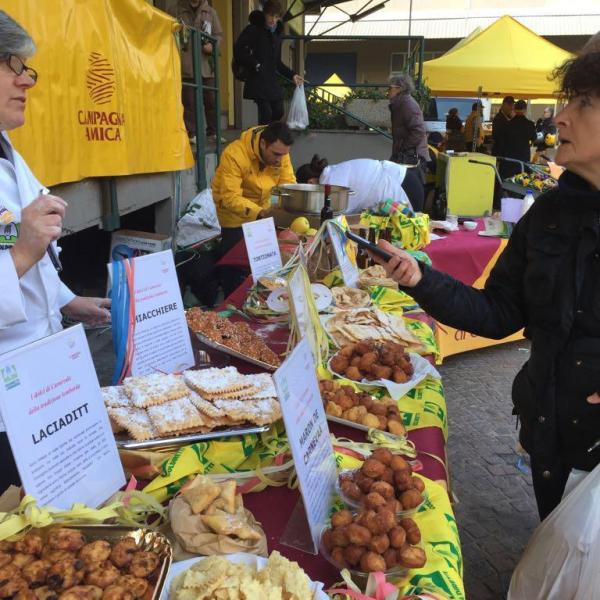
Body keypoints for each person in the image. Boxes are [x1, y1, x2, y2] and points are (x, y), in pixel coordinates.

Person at [367, 48, 600, 521]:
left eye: (584, 104)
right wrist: (421, 280)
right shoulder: (548, 214)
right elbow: (497, 313)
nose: (560, 117)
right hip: (550, 433)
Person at [0, 11, 110, 492]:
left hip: (43, 375)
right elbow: (18, 249)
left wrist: (66, 301)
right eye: (10, 64)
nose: (27, 80)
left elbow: (27, 252)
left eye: (27, 67)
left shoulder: (7, 150)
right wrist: (23, 249)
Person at [212, 122, 296, 295]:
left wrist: (291, 205)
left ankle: (259, 304)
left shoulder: (281, 152)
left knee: (263, 266)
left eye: (283, 155)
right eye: (276, 154)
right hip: (234, 217)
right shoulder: (234, 154)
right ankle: (232, 305)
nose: (279, 159)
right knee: (235, 267)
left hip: (263, 213)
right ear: (263, 143)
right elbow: (229, 197)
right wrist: (260, 212)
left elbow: (287, 184)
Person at [233, 0, 303, 125]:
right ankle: (262, 140)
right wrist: (255, 64)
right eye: (270, 15)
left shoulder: (277, 34)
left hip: (270, 80)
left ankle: (267, 136)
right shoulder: (253, 29)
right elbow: (238, 50)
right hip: (257, 78)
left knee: (279, 111)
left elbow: (277, 63)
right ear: (264, 14)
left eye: (276, 17)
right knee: (266, 113)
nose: (273, 20)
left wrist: (292, 75)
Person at [295, 155, 424, 213]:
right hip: (404, 179)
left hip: (402, 187)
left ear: (310, 182)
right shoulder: (332, 172)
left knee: (407, 233)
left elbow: (338, 216)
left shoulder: (330, 181)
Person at [176, 0, 223, 141]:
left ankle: (213, 132)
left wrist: (213, 46)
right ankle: (192, 133)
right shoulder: (176, 10)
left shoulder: (210, 12)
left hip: (206, 64)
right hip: (186, 63)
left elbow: (219, 34)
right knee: (189, 101)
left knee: (211, 100)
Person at [388, 74, 429, 171]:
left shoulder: (407, 104)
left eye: (390, 88)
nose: (388, 91)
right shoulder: (401, 103)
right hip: (406, 154)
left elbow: (418, 131)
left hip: (410, 156)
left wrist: (403, 147)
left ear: (399, 88)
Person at [501, 99, 537, 178]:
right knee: (522, 180)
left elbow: (503, 140)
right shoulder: (530, 124)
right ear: (525, 110)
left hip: (509, 158)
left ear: (514, 109)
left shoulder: (508, 124)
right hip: (523, 157)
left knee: (509, 180)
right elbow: (534, 138)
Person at [492, 95, 515, 178]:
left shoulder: (508, 117)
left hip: (506, 152)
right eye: (510, 106)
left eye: (512, 106)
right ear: (504, 105)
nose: (511, 108)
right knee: (498, 176)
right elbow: (497, 136)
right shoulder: (499, 118)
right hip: (500, 152)